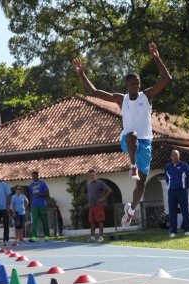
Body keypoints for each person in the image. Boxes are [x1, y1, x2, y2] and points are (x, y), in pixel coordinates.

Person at [73, 43, 172, 228]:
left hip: (146, 143)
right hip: (128, 140)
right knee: (131, 135)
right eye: (132, 84)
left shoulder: (147, 96)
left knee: (141, 184)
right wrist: (81, 74)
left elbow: (166, 79)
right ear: (126, 85)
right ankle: (132, 166)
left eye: (138, 84)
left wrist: (157, 59)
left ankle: (130, 212)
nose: (136, 86)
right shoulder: (121, 99)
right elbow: (94, 92)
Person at [164, 149, 189, 237]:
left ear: (179, 156)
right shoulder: (168, 166)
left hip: (182, 191)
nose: (174, 156)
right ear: (170, 156)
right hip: (171, 192)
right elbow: (167, 179)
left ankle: (187, 230)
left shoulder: (184, 165)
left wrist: (188, 187)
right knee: (172, 212)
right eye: (173, 155)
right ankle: (173, 231)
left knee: (185, 210)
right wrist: (170, 187)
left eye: (176, 155)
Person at [87, 169, 112, 242]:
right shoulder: (88, 185)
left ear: (95, 175)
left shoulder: (100, 183)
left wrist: (103, 198)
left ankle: (101, 237)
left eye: (92, 175)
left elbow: (109, 190)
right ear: (89, 176)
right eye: (90, 175)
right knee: (92, 222)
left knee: (100, 221)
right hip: (91, 206)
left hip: (98, 205)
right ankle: (92, 237)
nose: (91, 176)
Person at [29, 171, 50, 242]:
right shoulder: (31, 185)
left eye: (34, 176)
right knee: (34, 221)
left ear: (38, 176)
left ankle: (46, 235)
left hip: (42, 205)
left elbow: (47, 193)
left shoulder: (42, 183)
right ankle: (34, 236)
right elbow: (31, 195)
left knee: (44, 220)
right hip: (34, 206)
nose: (33, 178)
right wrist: (30, 205)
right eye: (32, 176)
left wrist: (40, 194)